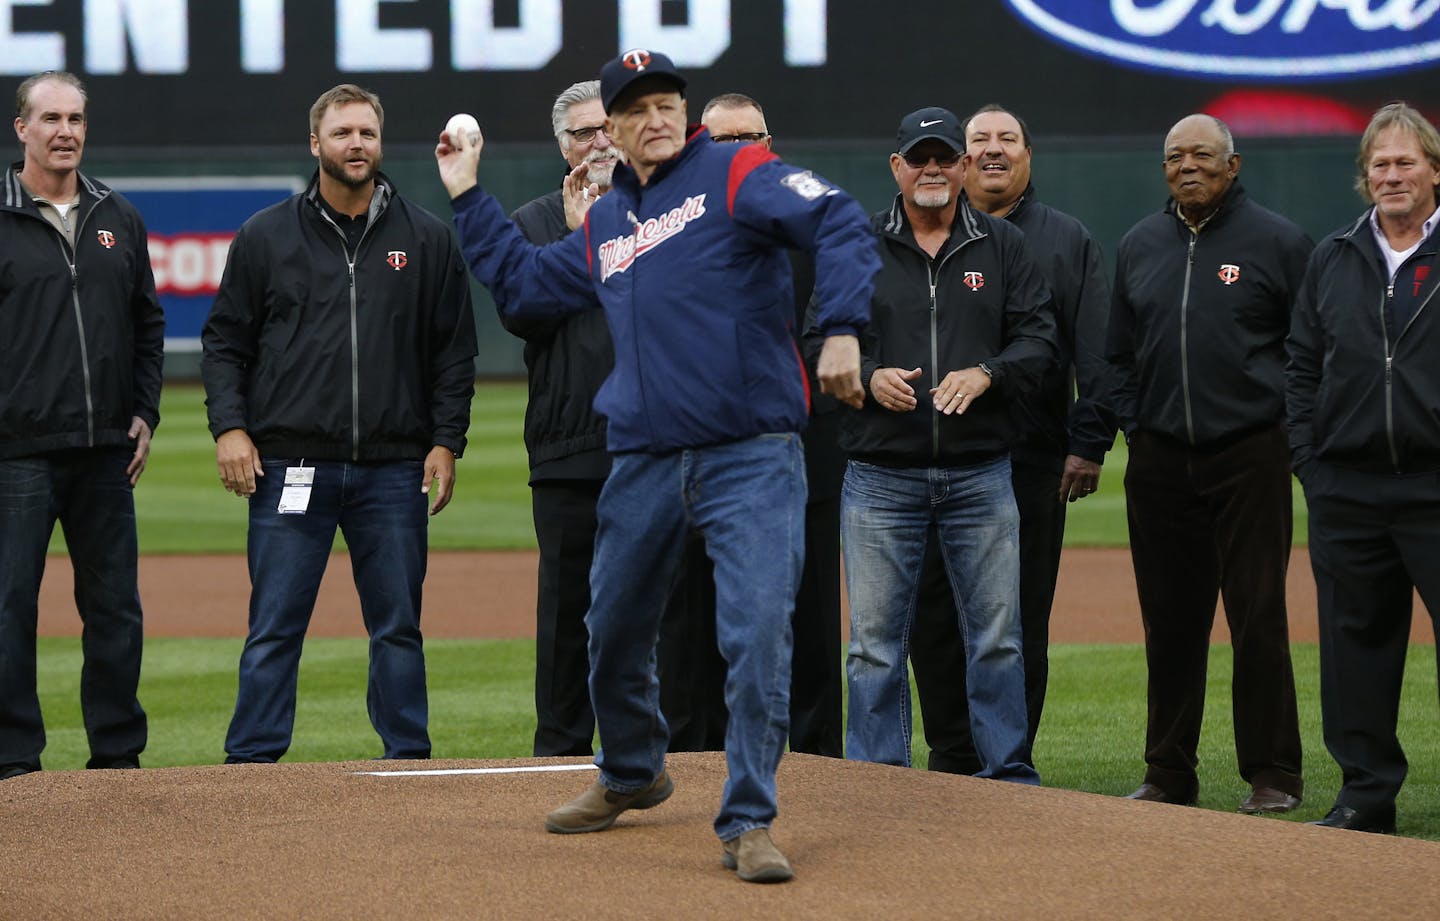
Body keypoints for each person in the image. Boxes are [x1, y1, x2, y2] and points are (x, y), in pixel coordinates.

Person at [437, 49, 877, 883]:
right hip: (642, 457)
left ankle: (748, 817)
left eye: (667, 101)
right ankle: (634, 768)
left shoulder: (737, 170)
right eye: (636, 108)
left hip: (750, 453)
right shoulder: (609, 223)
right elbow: (527, 288)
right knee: (608, 633)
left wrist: (846, 325)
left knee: (754, 637)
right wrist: (467, 194)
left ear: (686, 110)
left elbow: (841, 220)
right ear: (612, 129)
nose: (657, 117)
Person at [203, 84, 478, 764]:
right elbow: (224, 343)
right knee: (274, 626)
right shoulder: (265, 236)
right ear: (315, 143)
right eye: (343, 132)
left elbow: (453, 352)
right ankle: (252, 764)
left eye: (367, 133)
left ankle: (407, 755)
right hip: (292, 465)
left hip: (393, 467)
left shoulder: (426, 237)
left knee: (397, 628)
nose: (356, 144)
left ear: (380, 143)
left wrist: (446, 441)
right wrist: (230, 428)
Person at [809, 106, 1054, 782]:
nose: (933, 168)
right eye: (920, 157)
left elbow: (1039, 339)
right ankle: (878, 777)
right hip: (882, 474)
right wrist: (863, 375)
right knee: (874, 647)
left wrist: (988, 373)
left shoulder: (1002, 247)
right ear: (897, 167)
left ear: (965, 165)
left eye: (945, 156)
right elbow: (815, 342)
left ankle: (1006, 772)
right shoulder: (855, 245)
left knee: (998, 640)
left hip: (981, 470)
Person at [1108, 113, 1309, 813]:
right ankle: (1168, 771)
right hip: (1161, 458)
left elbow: (1308, 349)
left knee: (1257, 615)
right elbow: (1117, 355)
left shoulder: (1278, 241)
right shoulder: (1139, 244)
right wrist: (1134, 423)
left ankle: (1274, 773)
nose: (1186, 166)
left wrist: (1281, 419)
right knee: (1170, 621)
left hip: (1249, 453)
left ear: (1233, 164)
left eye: (1201, 155)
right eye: (1173, 156)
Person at [908, 104, 1114, 774]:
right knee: (932, 613)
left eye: (1007, 139)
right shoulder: (918, 233)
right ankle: (951, 751)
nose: (992, 151)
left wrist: (1087, 440)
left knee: (1018, 618)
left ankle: (1008, 759)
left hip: (1028, 455)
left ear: (1029, 154)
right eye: (979, 141)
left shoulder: (1066, 238)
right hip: (929, 454)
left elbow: (1095, 350)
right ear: (960, 159)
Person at [654, 92, 845, 758]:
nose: (741, 151)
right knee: (695, 622)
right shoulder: (670, 223)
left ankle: (821, 763)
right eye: (725, 139)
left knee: (813, 617)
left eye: (753, 137)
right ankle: (699, 759)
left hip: (802, 450)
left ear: (774, 144)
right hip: (699, 450)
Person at [0, 70, 165, 780]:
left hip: (104, 449)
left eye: (75, 119)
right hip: (16, 450)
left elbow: (146, 323)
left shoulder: (116, 216)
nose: (65, 131)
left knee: (115, 609)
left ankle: (117, 751)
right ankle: (12, 757)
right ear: (22, 129)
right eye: (50, 119)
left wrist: (145, 410)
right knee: (9, 608)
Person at [1286, 102, 1440, 835]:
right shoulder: (1334, 254)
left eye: (1405, 161)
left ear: (1434, 170)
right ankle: (1365, 795)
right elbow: (1301, 369)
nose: (1391, 175)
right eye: (1379, 164)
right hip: (1347, 487)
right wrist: (1312, 464)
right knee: (1353, 652)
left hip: (1435, 486)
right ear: (1363, 177)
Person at [506, 79, 623, 758]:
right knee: (565, 618)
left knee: (666, 613)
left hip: (655, 446)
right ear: (562, 145)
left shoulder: (665, 210)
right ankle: (558, 753)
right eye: (583, 132)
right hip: (568, 444)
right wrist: (582, 240)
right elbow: (521, 311)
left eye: (608, 125)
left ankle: (672, 753)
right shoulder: (534, 221)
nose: (599, 139)